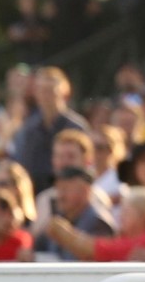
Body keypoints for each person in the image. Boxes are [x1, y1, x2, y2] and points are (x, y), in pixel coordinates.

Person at [9, 67, 89, 195]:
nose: (46, 96)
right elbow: (21, 165)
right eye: (41, 90)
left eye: (51, 91)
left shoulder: (76, 127)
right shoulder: (28, 129)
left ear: (65, 93)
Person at [32, 165, 113, 260]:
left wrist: (67, 235)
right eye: (58, 189)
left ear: (84, 191)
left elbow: (97, 256)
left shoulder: (100, 223)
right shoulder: (59, 218)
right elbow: (40, 248)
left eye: (65, 189)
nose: (60, 195)